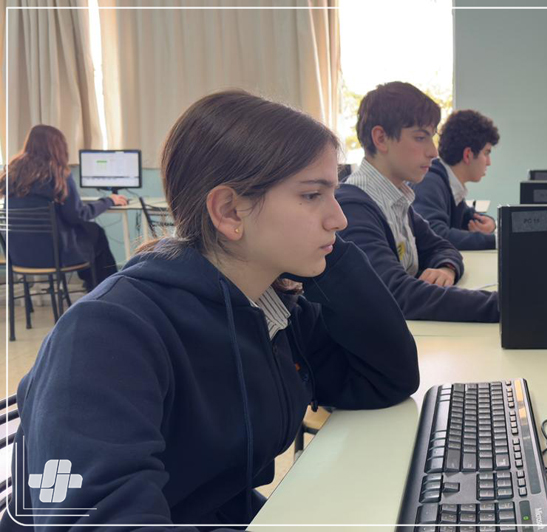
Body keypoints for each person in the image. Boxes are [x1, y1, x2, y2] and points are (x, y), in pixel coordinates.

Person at [1, 90, 419, 529]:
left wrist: (327, 259)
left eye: (333, 192)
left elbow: (386, 380)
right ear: (229, 211)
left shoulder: (271, 308)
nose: (340, 219)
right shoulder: (106, 335)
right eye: (313, 195)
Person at [336, 82, 499, 322]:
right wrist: (505, 305)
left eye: (431, 138)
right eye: (420, 137)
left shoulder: (396, 198)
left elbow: (442, 246)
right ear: (381, 138)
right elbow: (396, 295)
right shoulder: (352, 209)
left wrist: (446, 267)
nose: (433, 152)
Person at [1, 124, 128, 289]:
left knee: (89, 232)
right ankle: (106, 289)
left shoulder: (11, 174)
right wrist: (108, 201)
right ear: (57, 148)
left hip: (19, 256)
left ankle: (95, 286)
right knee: (95, 232)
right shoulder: (58, 174)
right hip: (53, 256)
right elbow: (77, 216)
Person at [412, 110, 499, 250]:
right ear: (468, 154)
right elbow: (436, 235)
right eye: (486, 153)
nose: (489, 162)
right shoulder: (429, 183)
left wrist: (490, 222)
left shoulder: (448, 182)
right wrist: (497, 241)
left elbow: (468, 217)